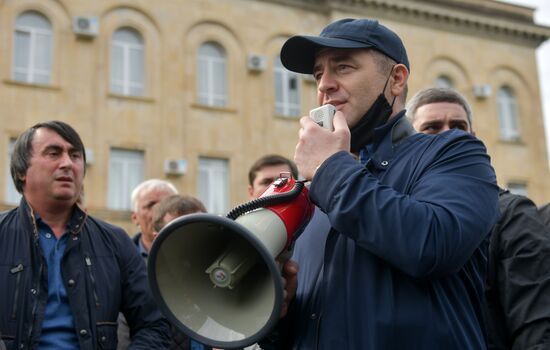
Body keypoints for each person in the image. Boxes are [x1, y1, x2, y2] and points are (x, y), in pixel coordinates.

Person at [273, 18, 500, 349]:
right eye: (318, 74)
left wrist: (330, 169)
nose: (325, 85)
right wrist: (278, 317)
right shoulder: (320, 193)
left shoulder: (453, 153)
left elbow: (432, 244)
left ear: (396, 79)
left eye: (344, 67)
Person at [0, 120, 170, 349]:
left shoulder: (115, 241)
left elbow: (154, 325)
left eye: (75, 155)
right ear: (22, 170)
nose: (68, 164)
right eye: (54, 153)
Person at [407, 87, 550, 350]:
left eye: (459, 126)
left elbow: (536, 328)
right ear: (409, 142)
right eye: (432, 127)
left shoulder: (510, 214)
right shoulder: (399, 217)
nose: (449, 134)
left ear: (473, 138)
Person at [131, 179, 178, 258]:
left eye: (166, 204)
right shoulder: (120, 256)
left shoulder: (194, 253)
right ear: (135, 218)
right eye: (151, 205)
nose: (159, 211)